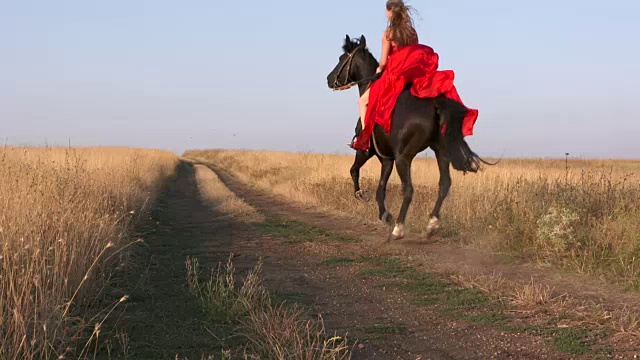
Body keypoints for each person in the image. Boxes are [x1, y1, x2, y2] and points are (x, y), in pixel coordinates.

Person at [349, 0, 477, 151]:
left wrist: (378, 71)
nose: (386, 14)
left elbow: (383, 62)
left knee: (362, 101)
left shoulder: (388, 34)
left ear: (390, 13)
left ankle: (365, 140)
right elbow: (413, 54)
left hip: (395, 76)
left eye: (387, 11)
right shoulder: (412, 32)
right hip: (412, 75)